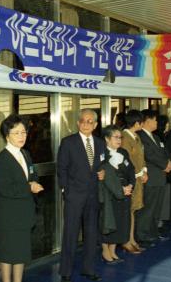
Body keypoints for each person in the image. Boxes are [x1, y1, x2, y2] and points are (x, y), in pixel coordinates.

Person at [0, 114, 44, 282]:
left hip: (23, 214)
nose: (22, 136)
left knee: (21, 253)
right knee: (8, 254)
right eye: (16, 133)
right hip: (8, 216)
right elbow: (5, 188)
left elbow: (32, 174)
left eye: (24, 132)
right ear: (7, 135)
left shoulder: (25, 154)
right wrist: (29, 187)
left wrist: (34, 182)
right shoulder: (2, 159)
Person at [57, 109, 105, 282]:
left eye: (90, 121)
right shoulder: (68, 142)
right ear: (78, 123)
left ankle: (89, 269)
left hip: (93, 196)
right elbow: (61, 169)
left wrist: (102, 172)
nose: (86, 124)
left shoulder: (100, 144)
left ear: (95, 125)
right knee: (70, 234)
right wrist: (66, 190)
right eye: (83, 121)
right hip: (74, 196)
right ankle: (66, 271)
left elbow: (101, 163)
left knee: (91, 234)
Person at [136, 110, 171, 247]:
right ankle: (142, 235)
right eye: (155, 120)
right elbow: (149, 155)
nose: (157, 122)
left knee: (157, 207)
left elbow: (163, 152)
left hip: (160, 177)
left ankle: (153, 232)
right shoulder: (139, 137)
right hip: (150, 177)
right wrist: (164, 164)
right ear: (147, 121)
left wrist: (168, 162)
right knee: (148, 208)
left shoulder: (155, 137)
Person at [99, 125, 134, 265]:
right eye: (116, 137)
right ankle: (105, 250)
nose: (119, 140)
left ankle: (113, 250)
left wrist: (130, 185)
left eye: (120, 137)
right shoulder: (101, 154)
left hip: (125, 191)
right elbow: (104, 176)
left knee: (120, 222)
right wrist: (120, 189)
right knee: (107, 221)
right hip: (109, 193)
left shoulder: (123, 152)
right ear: (107, 139)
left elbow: (131, 170)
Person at [120, 110, 147, 253]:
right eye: (142, 122)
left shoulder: (136, 136)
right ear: (137, 123)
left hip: (138, 179)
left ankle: (132, 239)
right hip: (130, 180)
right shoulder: (125, 138)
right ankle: (126, 241)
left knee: (134, 210)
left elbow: (141, 157)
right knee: (128, 211)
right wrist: (139, 173)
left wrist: (144, 170)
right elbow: (127, 161)